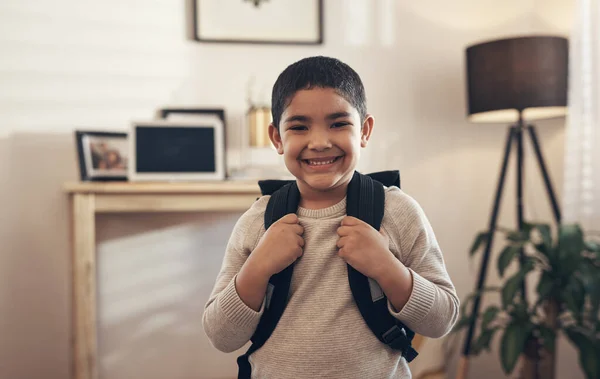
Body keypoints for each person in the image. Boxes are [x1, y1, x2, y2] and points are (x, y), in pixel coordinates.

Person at [202, 56, 459, 379]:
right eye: (299, 127)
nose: (320, 142)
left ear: (364, 131)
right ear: (277, 138)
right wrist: (259, 266)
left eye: (338, 124)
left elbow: (442, 319)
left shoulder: (397, 212)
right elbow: (221, 336)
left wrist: (386, 267)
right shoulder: (259, 221)